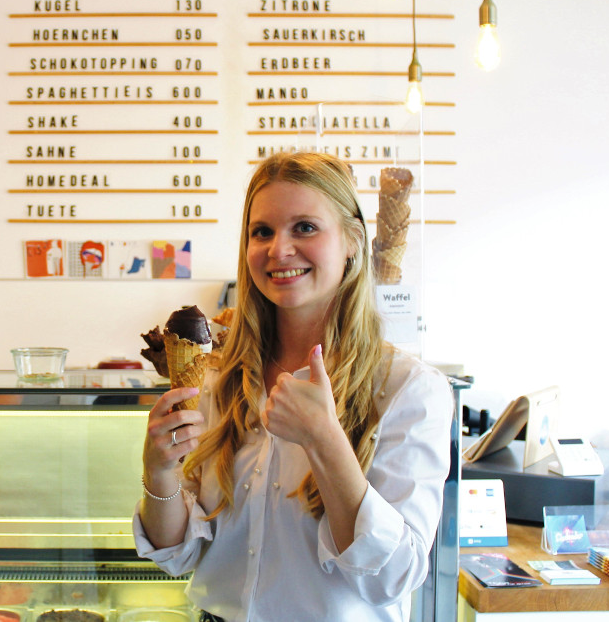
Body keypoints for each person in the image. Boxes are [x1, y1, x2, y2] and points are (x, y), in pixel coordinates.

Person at [135, 152, 452, 622]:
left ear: (351, 241)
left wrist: (325, 440)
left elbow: (393, 579)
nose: (279, 249)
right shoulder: (221, 378)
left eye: (304, 227)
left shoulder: (409, 389)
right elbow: (176, 557)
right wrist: (158, 472)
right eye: (262, 231)